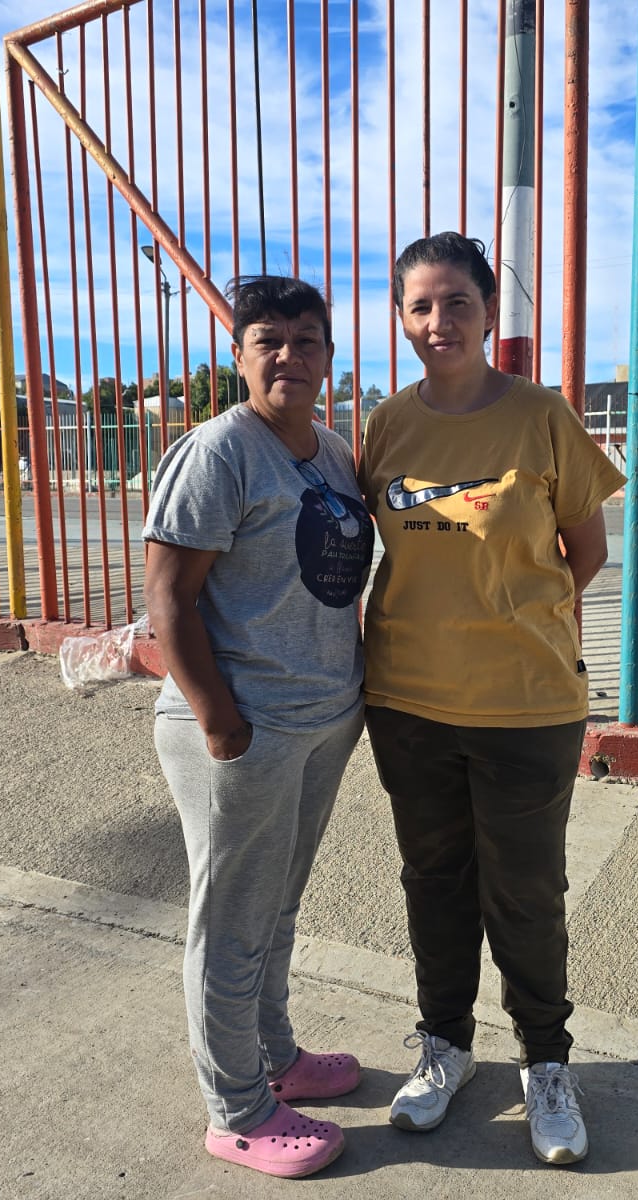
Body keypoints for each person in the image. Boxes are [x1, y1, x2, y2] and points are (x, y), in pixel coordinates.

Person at [357, 232, 625, 1166]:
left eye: (457, 302)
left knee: (526, 893)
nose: (440, 321)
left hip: (526, 704)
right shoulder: (387, 424)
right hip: (407, 701)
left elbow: (586, 550)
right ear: (402, 319)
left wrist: (517, 617)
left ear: (487, 312)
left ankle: (545, 1064)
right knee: (434, 882)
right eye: (421, 305)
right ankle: (445, 1047)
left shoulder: (542, 416)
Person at [143, 274, 373, 1180]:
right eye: (267, 340)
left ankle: (276, 1057)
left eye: (305, 340)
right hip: (245, 727)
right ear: (238, 356)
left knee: (276, 905)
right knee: (231, 921)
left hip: (322, 717)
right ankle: (236, 1110)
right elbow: (169, 598)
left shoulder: (334, 452)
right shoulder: (219, 451)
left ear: (328, 356)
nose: (288, 356)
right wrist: (218, 721)